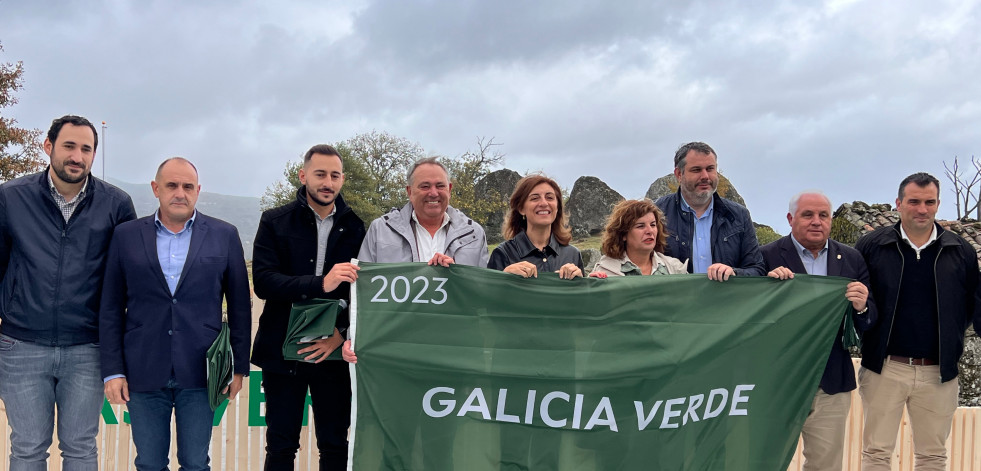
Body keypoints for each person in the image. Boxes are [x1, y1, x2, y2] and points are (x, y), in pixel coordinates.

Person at [0, 114, 137, 469]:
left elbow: (126, 282)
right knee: (28, 447)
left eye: (86, 149)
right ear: (48, 147)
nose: (78, 156)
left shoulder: (116, 205)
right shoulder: (10, 199)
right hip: (21, 346)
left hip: (87, 348)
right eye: (69, 146)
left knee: (79, 447)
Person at [100, 157, 251, 470]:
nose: (180, 192)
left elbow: (239, 307)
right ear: (156, 189)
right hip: (142, 370)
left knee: (196, 463)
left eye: (187, 186)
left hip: (202, 371)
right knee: (149, 463)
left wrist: (239, 367)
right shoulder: (125, 236)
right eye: (172, 185)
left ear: (198, 191)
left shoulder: (224, 235)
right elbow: (111, 307)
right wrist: (113, 370)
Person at [855, 173, 981, 471]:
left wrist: (949, 342)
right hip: (884, 367)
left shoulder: (960, 251)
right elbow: (858, 301)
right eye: (914, 202)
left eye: (929, 202)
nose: (922, 209)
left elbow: (970, 306)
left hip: (938, 373)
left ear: (938, 204)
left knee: (933, 457)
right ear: (899, 204)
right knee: (875, 454)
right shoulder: (872, 246)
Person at [251, 145, 366, 470]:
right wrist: (320, 284)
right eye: (320, 174)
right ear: (303, 176)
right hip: (281, 352)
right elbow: (264, 282)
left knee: (334, 446)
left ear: (342, 179)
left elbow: (362, 294)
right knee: (281, 446)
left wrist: (340, 334)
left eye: (334, 175)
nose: (327, 182)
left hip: (333, 357)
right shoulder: (274, 221)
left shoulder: (357, 227)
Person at [761, 191, 876, 471]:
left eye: (823, 215)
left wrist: (862, 307)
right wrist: (766, 290)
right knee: (765, 462)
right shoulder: (766, 257)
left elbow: (870, 321)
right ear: (790, 219)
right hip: (777, 382)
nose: (816, 222)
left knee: (826, 465)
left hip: (831, 382)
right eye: (808, 215)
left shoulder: (851, 258)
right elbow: (752, 318)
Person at [342, 157, 488, 359]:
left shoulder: (474, 233)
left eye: (440, 186)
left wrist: (458, 276)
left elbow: (484, 294)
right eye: (425, 186)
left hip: (457, 347)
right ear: (409, 192)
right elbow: (362, 291)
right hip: (396, 345)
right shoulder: (380, 229)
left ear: (450, 189)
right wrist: (354, 336)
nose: (433, 193)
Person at [655, 141, 765, 280]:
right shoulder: (656, 214)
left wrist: (734, 273)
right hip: (675, 300)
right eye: (696, 170)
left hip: (724, 300)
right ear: (679, 174)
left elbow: (757, 269)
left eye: (710, 169)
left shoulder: (738, 215)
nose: (705, 176)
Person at [488, 174, 582, 279]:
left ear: (557, 207)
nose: (543, 203)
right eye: (535, 198)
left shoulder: (572, 254)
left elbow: (583, 295)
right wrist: (504, 277)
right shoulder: (503, 253)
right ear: (521, 208)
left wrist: (581, 282)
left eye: (549, 197)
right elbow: (489, 294)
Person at [590, 199, 687, 277]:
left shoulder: (674, 268)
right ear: (623, 234)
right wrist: (593, 286)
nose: (649, 231)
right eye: (640, 226)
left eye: (653, 225)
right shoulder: (606, 270)